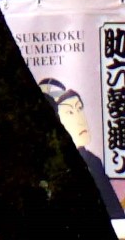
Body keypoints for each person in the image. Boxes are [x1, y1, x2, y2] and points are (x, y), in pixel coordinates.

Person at [39, 78, 125, 219]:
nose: (80, 119)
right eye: (70, 112)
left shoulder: (93, 162)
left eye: (79, 108)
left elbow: (116, 216)